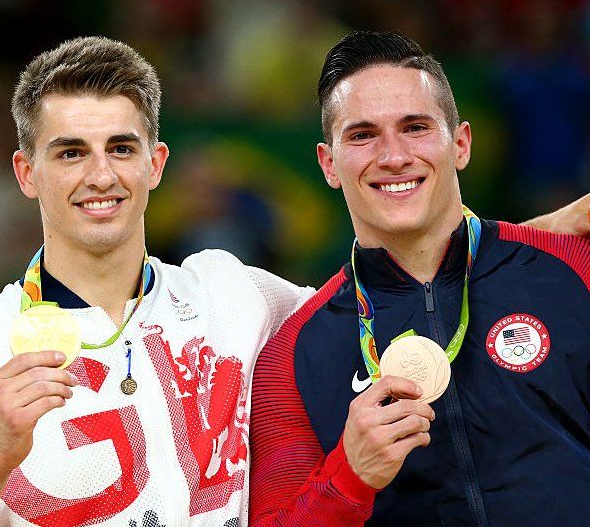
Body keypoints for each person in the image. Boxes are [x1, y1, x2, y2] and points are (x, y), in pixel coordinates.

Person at [0, 36, 316, 527]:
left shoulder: (231, 292)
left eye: (121, 148)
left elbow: (358, 310)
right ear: (26, 173)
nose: (101, 175)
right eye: (70, 153)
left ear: (156, 164)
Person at [248, 30, 590, 526]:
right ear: (329, 164)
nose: (393, 156)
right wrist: (349, 476)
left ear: (460, 143)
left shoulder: (570, 269)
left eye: (414, 127)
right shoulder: (291, 357)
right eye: (363, 135)